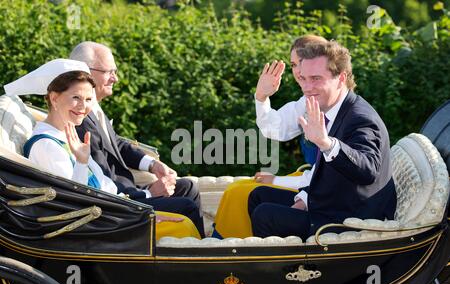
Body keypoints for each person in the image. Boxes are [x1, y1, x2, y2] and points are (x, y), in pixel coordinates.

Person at [3, 59, 200, 240]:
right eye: (76, 98)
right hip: (104, 222)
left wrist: (141, 199)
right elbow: (74, 203)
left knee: (185, 194)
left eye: (88, 99)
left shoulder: (66, 135)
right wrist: (139, 209)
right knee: (186, 207)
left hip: (115, 206)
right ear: (54, 98)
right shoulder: (46, 145)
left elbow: (104, 186)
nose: (83, 107)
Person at [249, 40, 397, 239]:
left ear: (341, 78)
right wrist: (305, 197)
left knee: (265, 215)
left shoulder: (360, 118)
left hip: (351, 219)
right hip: (331, 202)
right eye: (304, 79)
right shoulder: (326, 105)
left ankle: (287, 268)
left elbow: (368, 170)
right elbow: (275, 129)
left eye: (316, 78)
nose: (307, 88)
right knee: (259, 196)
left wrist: (326, 144)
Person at [69, 42, 205, 238]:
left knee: (188, 187)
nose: (115, 78)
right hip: (122, 204)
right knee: (186, 206)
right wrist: (149, 192)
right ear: (86, 72)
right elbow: (103, 180)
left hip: (130, 193)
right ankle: (195, 256)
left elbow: (117, 144)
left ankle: (195, 246)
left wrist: (152, 164)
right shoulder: (81, 119)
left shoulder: (94, 108)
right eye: (109, 72)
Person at [212, 35, 328, 239]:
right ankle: (222, 245)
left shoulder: (331, 105)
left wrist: (276, 180)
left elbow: (330, 174)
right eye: (294, 64)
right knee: (237, 188)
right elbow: (275, 129)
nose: (299, 72)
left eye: (303, 63)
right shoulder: (306, 102)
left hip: (315, 186)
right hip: (309, 179)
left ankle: (228, 250)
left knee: (239, 194)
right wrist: (261, 96)